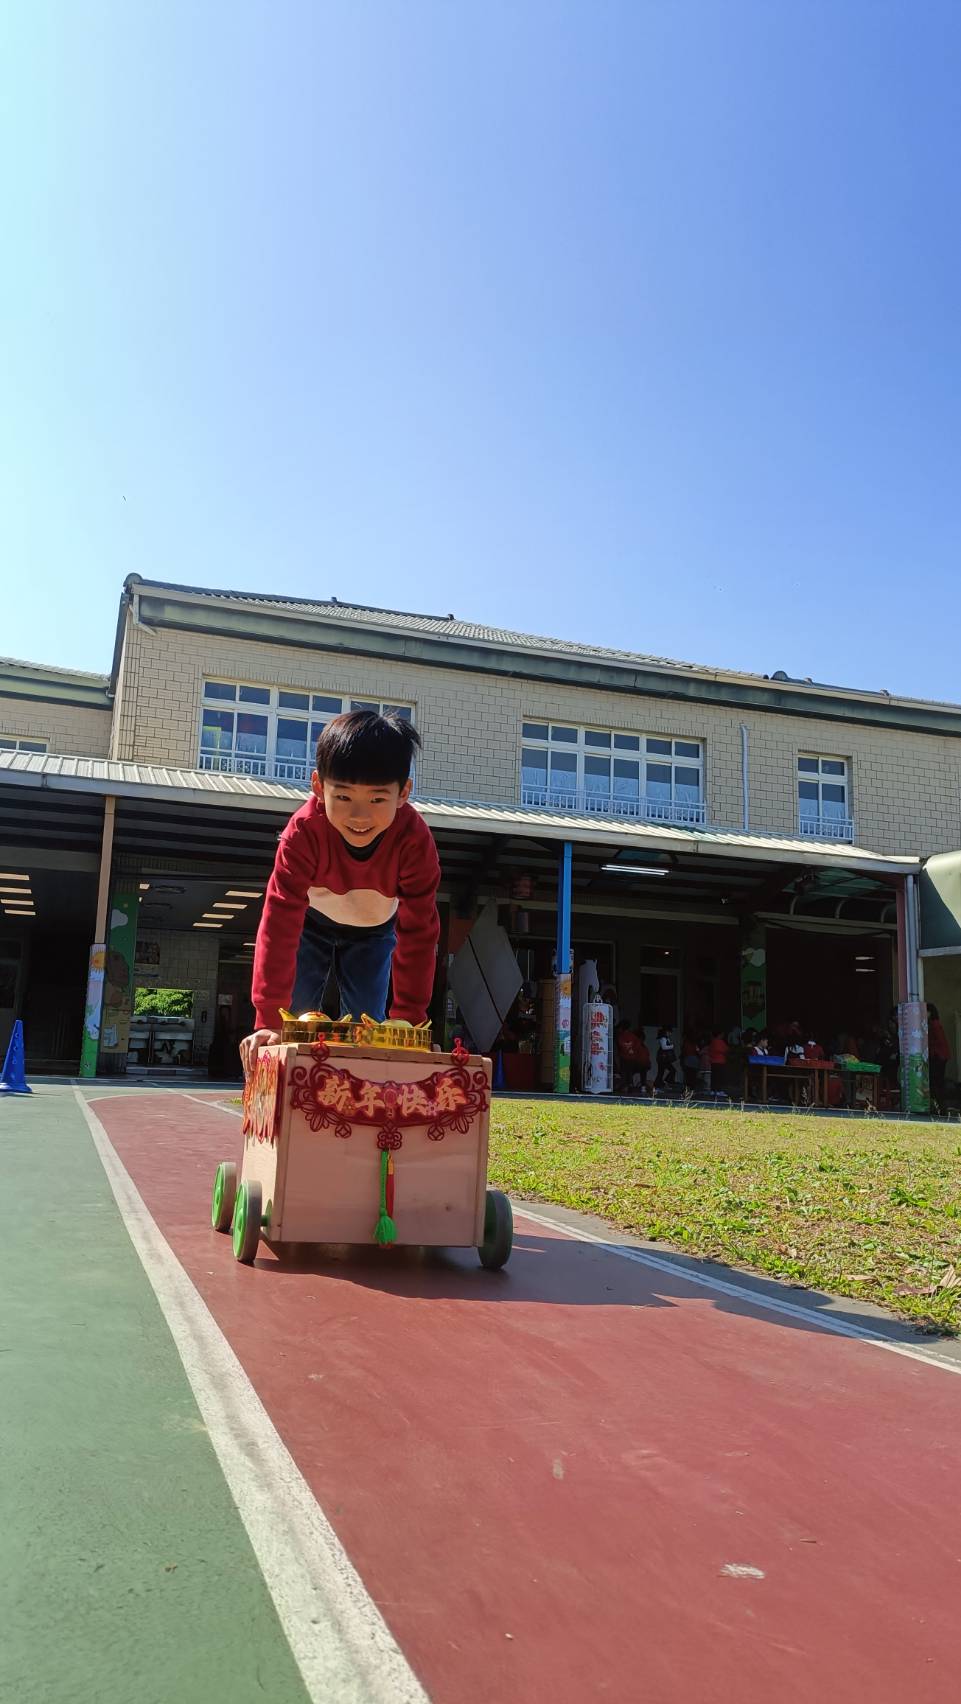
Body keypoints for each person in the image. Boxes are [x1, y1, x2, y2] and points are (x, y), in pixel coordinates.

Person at [240, 710, 441, 1075]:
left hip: (374, 931)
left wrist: (410, 1022)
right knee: (292, 1022)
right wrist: (268, 1019)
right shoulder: (302, 832)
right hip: (309, 925)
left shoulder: (414, 841)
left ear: (403, 793)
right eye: (344, 796)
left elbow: (419, 931)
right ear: (319, 787)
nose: (360, 816)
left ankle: (360, 1093)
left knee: (369, 1025)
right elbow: (279, 923)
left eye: (377, 800)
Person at [927, 1003, 950, 1117]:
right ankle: (939, 1107)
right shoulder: (934, 1024)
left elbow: (939, 1041)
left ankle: (940, 1107)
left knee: (936, 1082)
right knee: (936, 1082)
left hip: (938, 1056)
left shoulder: (934, 1025)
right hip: (939, 1056)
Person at [615, 1020, 650, 1094]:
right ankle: (632, 1085)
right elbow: (637, 1045)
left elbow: (621, 1045)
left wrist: (627, 1050)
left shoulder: (621, 1036)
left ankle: (625, 1086)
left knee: (625, 1073)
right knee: (630, 1072)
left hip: (624, 1058)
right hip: (633, 1059)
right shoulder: (633, 1037)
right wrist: (633, 1050)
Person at [654, 1024, 677, 1092]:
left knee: (669, 1071)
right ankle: (658, 1086)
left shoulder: (666, 1038)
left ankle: (662, 1084)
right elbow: (664, 1047)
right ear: (666, 1031)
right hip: (662, 1058)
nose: (670, 1034)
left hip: (665, 1059)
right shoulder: (663, 1038)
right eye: (669, 1032)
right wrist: (672, 1046)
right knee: (661, 1072)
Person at [708, 1026, 729, 1094]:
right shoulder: (721, 1042)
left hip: (713, 1062)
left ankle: (713, 1090)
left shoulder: (712, 1042)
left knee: (714, 1076)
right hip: (720, 1062)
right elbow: (726, 1050)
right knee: (719, 1077)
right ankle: (719, 1090)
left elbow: (710, 1050)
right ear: (720, 1034)